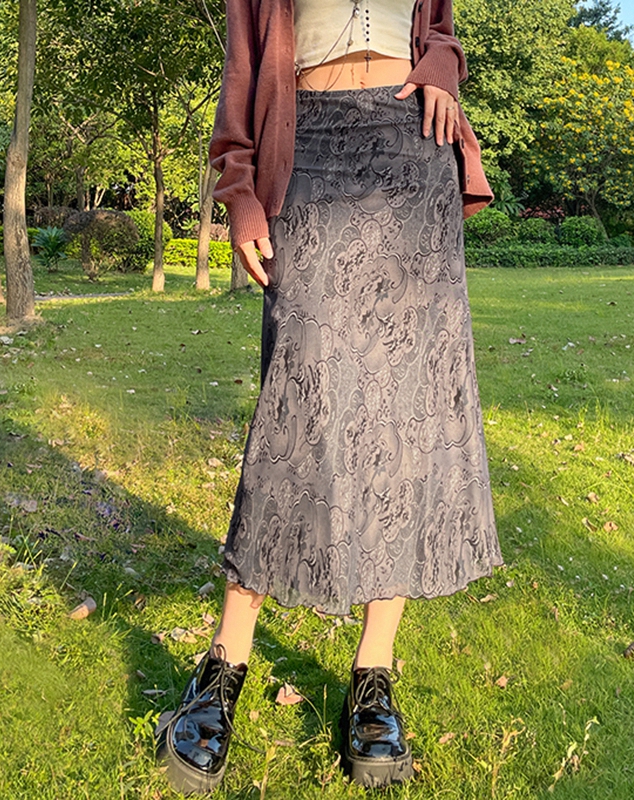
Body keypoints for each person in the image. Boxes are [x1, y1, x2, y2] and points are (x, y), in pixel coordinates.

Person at [156, 0, 502, 793]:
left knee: (407, 410)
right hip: (306, 147)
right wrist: (241, 193)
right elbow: (243, 71)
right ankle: (223, 664)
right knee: (297, 406)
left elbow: (438, 28)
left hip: (412, 151)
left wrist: (440, 68)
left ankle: (373, 675)